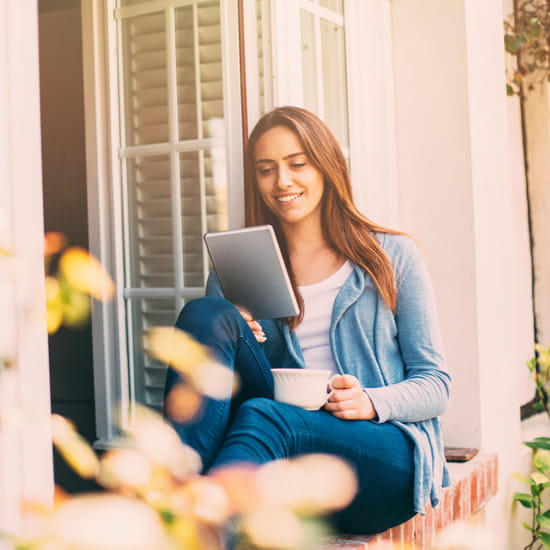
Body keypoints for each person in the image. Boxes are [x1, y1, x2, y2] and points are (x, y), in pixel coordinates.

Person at [164, 106, 451, 534]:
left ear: (327, 166)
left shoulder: (392, 257)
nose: (283, 181)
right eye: (266, 169)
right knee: (208, 314)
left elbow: (436, 384)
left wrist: (372, 401)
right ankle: (178, 491)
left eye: (298, 164)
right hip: (281, 456)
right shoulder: (236, 273)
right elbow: (218, 406)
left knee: (266, 415)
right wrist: (244, 336)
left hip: (380, 461)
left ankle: (194, 530)